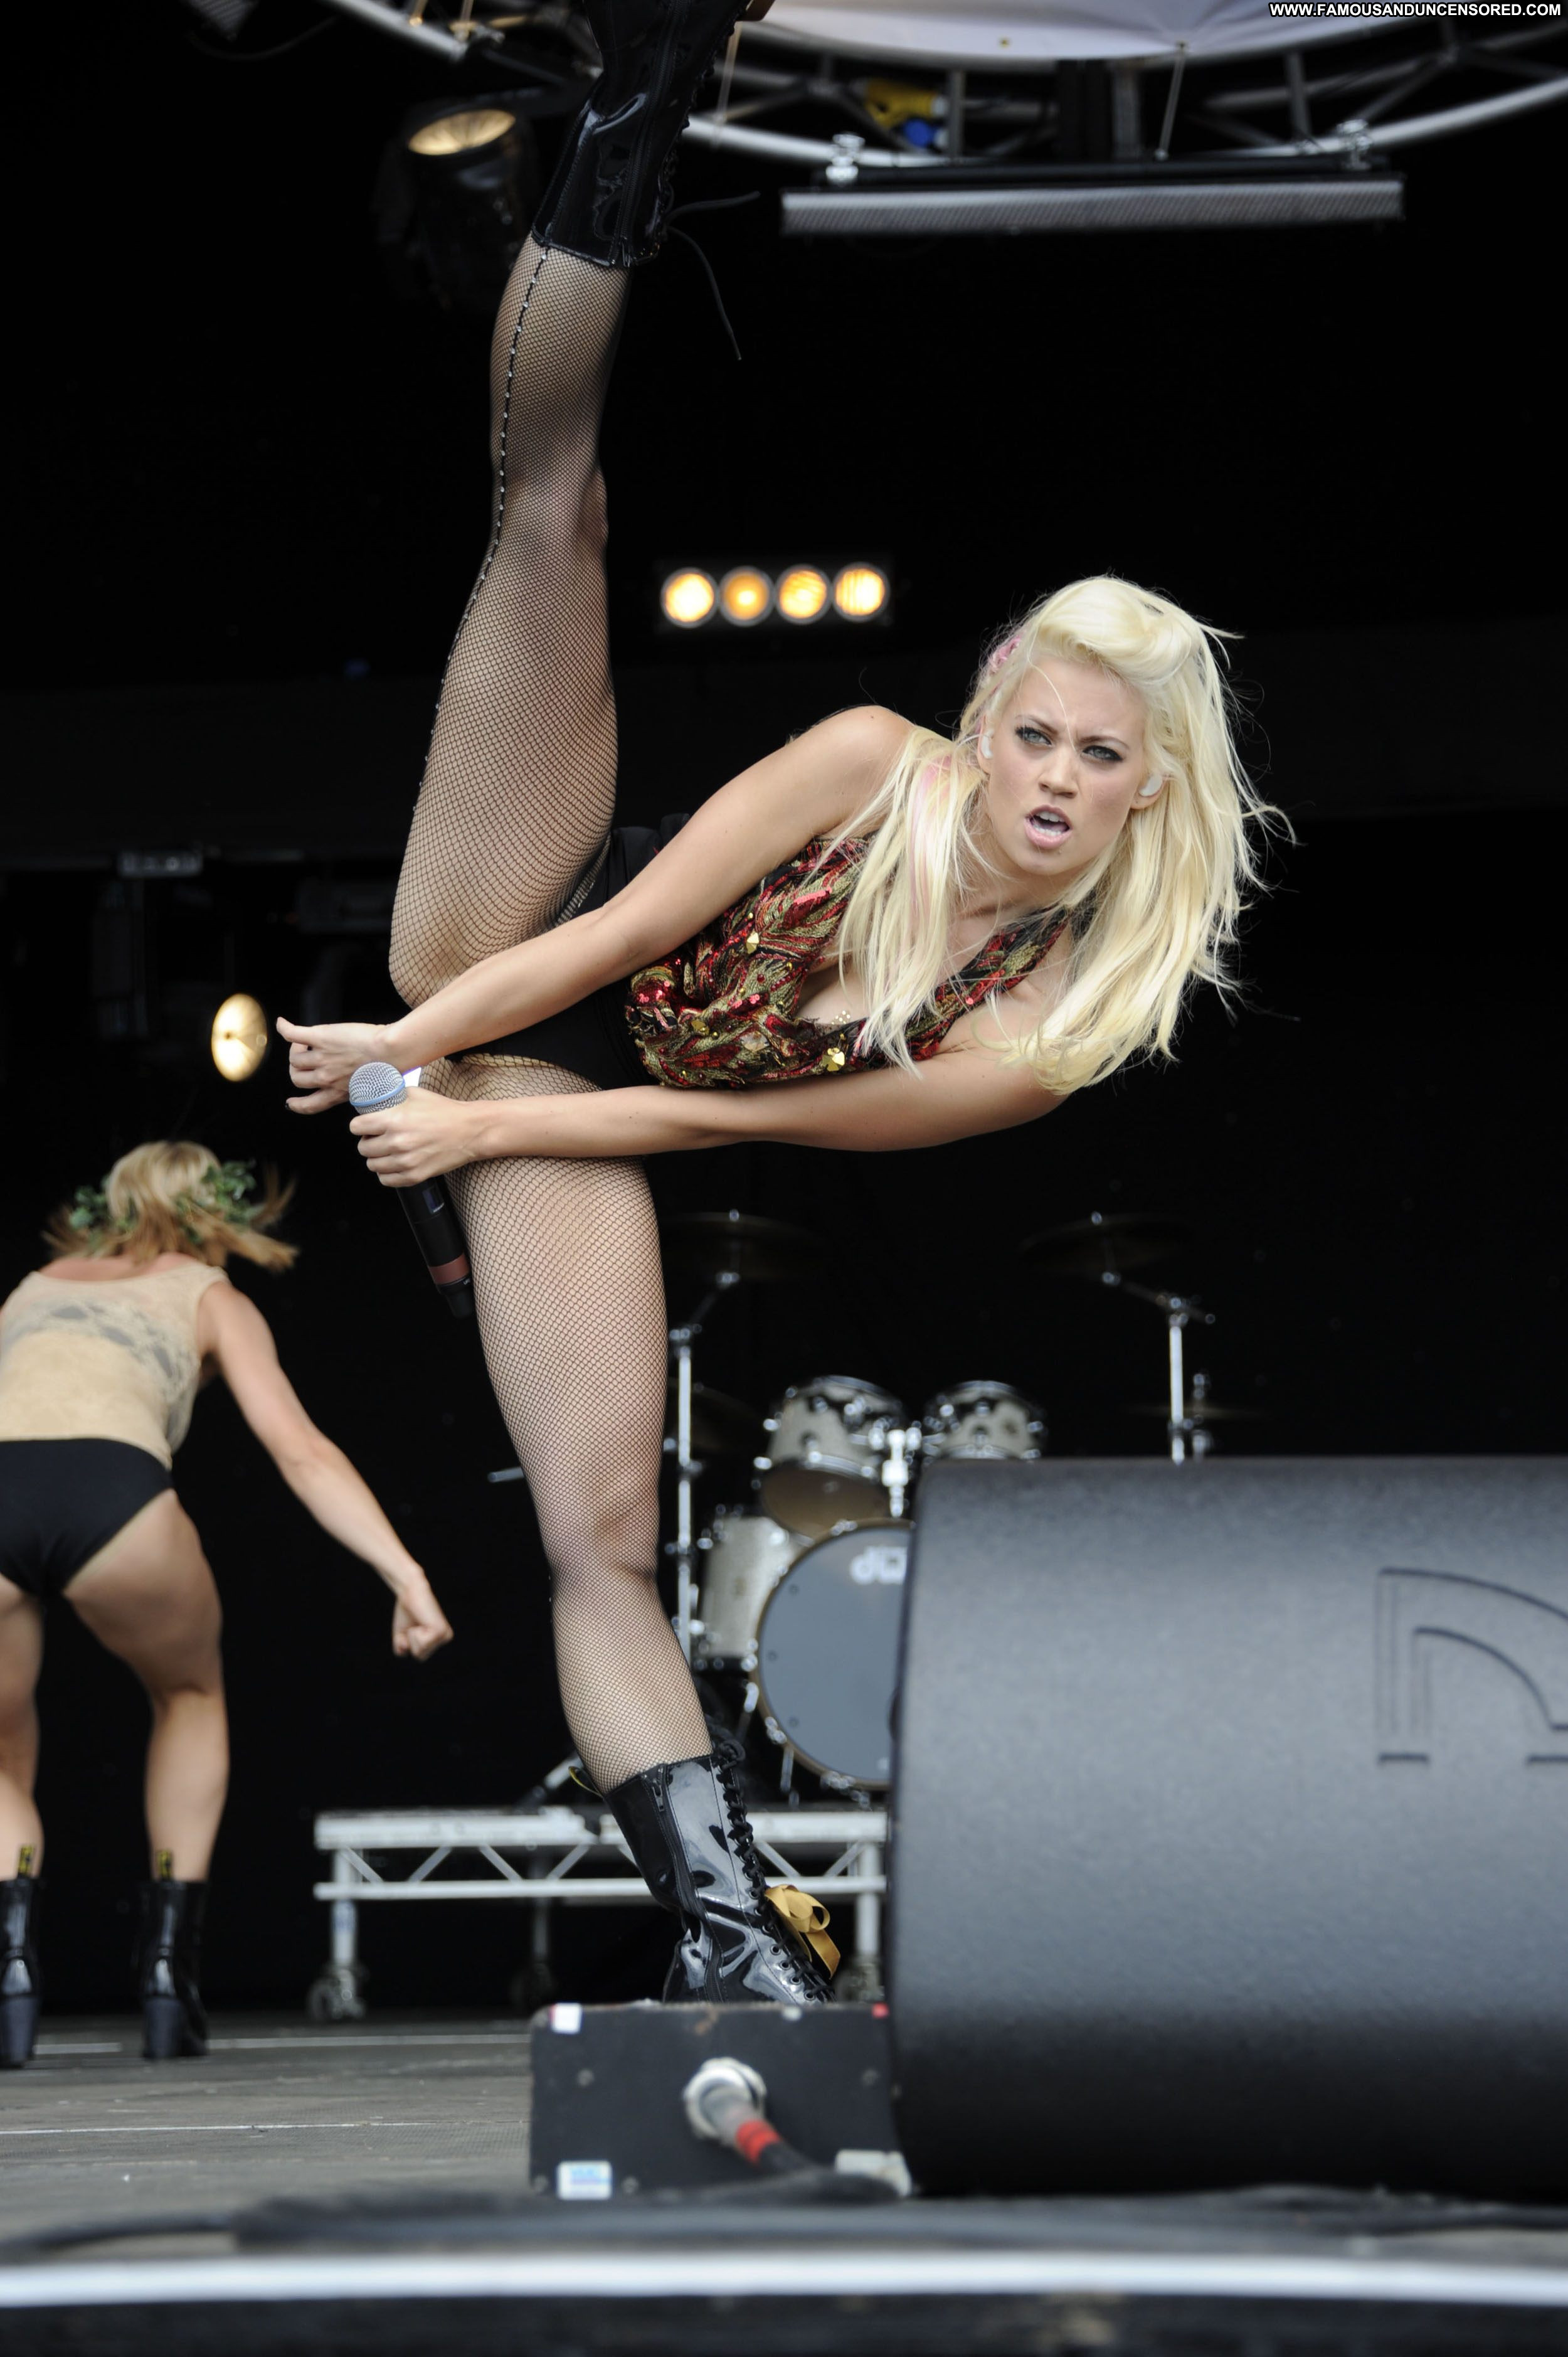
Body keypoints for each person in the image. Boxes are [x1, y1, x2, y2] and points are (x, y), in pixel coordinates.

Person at [277, 0, 1273, 2006]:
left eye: (1100, 755)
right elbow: (615, 936)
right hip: (532, 924)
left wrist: (469, 1120)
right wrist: (423, 1040)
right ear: (989, 717)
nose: (1054, 775)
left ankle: (743, 1940)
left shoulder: (1040, 1026)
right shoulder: (867, 760)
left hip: (596, 1099)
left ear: (1147, 792)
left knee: (601, 1529)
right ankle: (632, 109)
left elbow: (728, 1121)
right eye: (1036, 730)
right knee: (555, 520)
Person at [0, 1144, 452, 2068]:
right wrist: (405, 1574)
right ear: (218, 1212)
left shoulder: (31, 1287)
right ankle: (168, 1973)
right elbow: (301, 1451)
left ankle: (10, 1970)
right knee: (189, 1695)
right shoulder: (210, 1293)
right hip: (115, 1494)